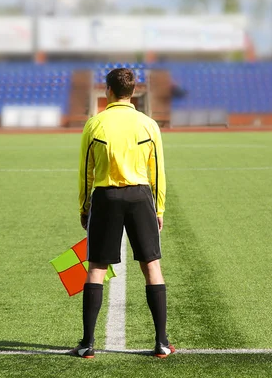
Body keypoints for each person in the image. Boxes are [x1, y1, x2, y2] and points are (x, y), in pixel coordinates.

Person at [72, 68, 173, 359]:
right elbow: (158, 171)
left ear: (108, 90)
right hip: (141, 197)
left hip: (106, 197)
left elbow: (85, 171)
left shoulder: (95, 124)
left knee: (96, 269)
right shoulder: (148, 124)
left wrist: (84, 206)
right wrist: (159, 208)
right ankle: (161, 342)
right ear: (133, 91)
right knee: (151, 266)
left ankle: (88, 344)